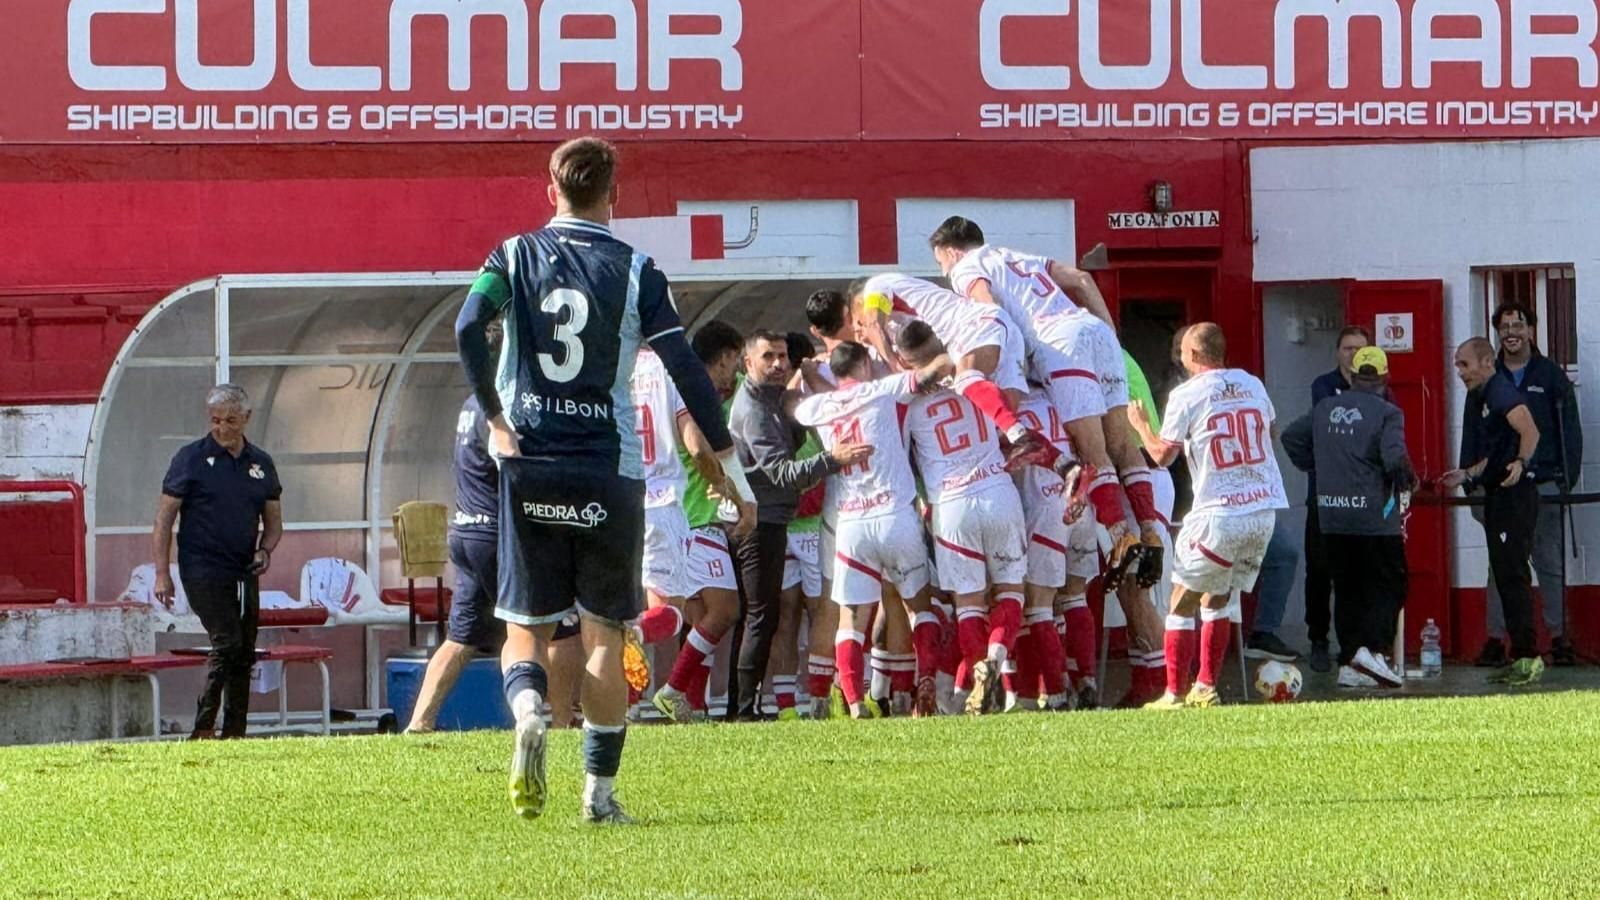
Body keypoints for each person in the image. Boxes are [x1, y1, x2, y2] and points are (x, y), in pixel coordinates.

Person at [455, 137, 753, 824]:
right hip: (607, 471)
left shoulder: (512, 254)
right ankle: (599, 795)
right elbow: (686, 370)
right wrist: (731, 468)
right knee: (603, 635)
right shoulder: (639, 269)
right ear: (613, 196)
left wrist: (496, 420)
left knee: (525, 629)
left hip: (531, 460)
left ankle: (530, 708)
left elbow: (469, 324)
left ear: (549, 189)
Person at [930, 218, 1163, 587]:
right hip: (1094, 330)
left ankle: (1122, 536)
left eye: (941, 264)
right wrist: (1109, 335)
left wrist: (1012, 363)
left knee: (1092, 449)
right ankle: (1150, 530)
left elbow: (988, 312)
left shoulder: (965, 268)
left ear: (951, 251)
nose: (945, 273)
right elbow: (1083, 280)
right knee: (1121, 441)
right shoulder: (1017, 256)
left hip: (1058, 343)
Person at [1128, 324, 1288, 709]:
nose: (1179, 357)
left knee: (1181, 601)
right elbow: (1272, 432)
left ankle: (1172, 693)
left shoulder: (1185, 394)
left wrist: (1141, 426)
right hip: (1263, 510)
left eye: (1182, 351)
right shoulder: (1252, 384)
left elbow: (1163, 455)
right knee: (1218, 597)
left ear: (1194, 356)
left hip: (1219, 511)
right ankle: (1205, 686)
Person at [793, 341, 951, 718]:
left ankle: (852, 702)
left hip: (851, 523)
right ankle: (922, 680)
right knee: (918, 607)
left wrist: (811, 374)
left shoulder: (815, 406)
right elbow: (938, 369)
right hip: (895, 514)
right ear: (865, 363)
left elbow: (797, 405)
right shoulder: (884, 389)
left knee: (851, 616)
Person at [898, 321, 1035, 714]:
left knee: (969, 604)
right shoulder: (976, 380)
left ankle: (978, 679)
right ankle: (995, 659)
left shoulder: (908, 402)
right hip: (997, 490)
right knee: (1010, 591)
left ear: (907, 361)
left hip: (951, 503)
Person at [727, 329, 864, 720]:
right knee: (761, 615)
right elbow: (782, 473)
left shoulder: (769, 400)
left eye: (783, 356)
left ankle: (742, 705)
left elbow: (796, 429)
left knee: (761, 615)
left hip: (769, 517)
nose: (778, 364)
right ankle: (742, 710)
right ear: (747, 362)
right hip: (758, 521)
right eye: (768, 357)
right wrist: (833, 459)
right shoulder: (753, 410)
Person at [152, 383, 282, 740]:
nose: (222, 429)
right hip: (202, 567)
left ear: (246, 419)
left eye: (231, 421)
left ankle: (236, 730)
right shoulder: (190, 459)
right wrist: (163, 573)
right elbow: (164, 518)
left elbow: (274, 523)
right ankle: (203, 727)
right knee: (225, 641)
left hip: (244, 568)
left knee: (243, 648)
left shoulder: (261, 464)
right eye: (215, 421)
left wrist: (264, 550)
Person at [1283, 347, 1416, 689]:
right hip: (1374, 518)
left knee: (1346, 590)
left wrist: (1316, 465)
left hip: (1332, 516)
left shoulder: (1325, 408)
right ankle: (1371, 652)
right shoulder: (1389, 413)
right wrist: (1409, 480)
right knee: (1391, 583)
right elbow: (1394, 459)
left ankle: (1349, 662)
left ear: (1353, 376)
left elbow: (1290, 437)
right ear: (1385, 378)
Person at [651, 322, 755, 723]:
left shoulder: (674, 387)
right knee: (724, 610)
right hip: (697, 517)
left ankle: (690, 705)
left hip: (679, 517)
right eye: (734, 361)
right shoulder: (694, 397)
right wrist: (730, 490)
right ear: (726, 357)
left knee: (698, 619)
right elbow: (700, 450)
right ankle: (673, 689)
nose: (735, 371)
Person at [1474, 302, 1583, 668]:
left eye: (1518, 324)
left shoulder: (1551, 375)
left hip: (1545, 484)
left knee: (1549, 563)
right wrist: (1470, 485)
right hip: (1501, 489)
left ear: (1532, 330)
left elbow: (1571, 432)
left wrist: (1567, 479)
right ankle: (1495, 638)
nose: (1511, 332)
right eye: (1503, 326)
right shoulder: (1487, 378)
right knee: (1500, 566)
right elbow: (1472, 435)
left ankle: (1559, 638)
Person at [1443, 337, 1544, 686]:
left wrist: (1522, 461)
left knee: (1513, 573)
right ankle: (1520, 654)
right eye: (1457, 365)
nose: (1460, 372)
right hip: (1498, 495)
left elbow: (1529, 429)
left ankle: (1528, 657)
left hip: (1515, 497)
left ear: (1487, 362)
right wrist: (1467, 474)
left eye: (1465, 364)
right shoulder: (1482, 398)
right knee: (1503, 573)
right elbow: (1497, 450)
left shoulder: (1500, 391)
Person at [1303, 326, 1371, 672]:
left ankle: (1354, 644)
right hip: (1325, 494)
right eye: (1347, 348)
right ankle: (1318, 638)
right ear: (1337, 352)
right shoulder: (1323, 385)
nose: (1352, 354)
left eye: (1360, 349)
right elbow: (1328, 421)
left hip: (1361, 496)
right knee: (1319, 568)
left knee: (1355, 572)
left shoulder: (1379, 388)